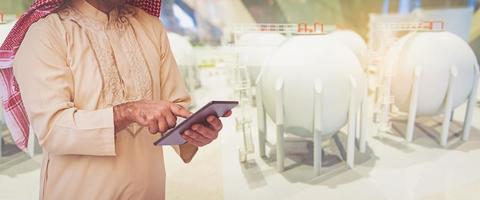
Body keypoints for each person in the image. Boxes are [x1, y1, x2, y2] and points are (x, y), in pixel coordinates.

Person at [4, 0, 232, 199]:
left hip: (148, 192)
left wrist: (195, 132)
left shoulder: (150, 27)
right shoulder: (48, 33)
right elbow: (52, 130)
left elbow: (176, 108)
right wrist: (128, 112)